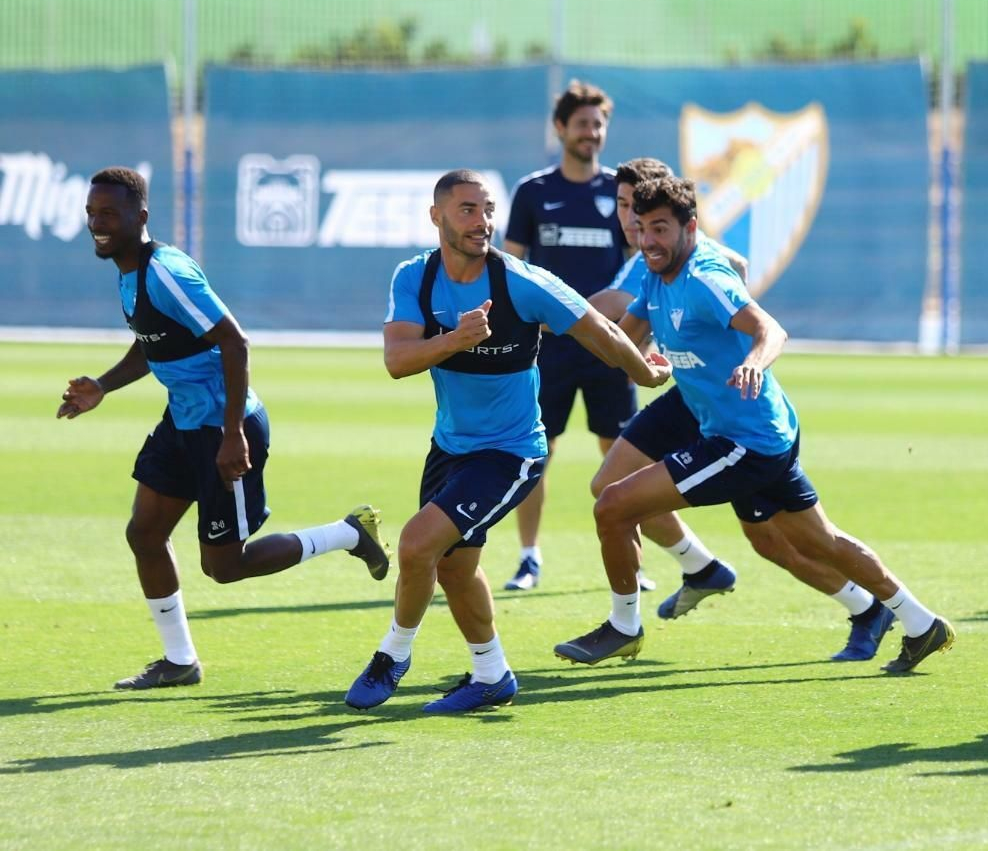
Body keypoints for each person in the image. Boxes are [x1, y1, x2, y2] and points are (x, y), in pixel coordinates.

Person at [550, 169, 952, 672]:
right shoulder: (655, 276)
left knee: (613, 504)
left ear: (689, 228)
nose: (648, 239)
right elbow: (623, 342)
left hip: (743, 442)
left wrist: (753, 363)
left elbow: (771, 330)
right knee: (816, 540)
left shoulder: (704, 280)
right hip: (762, 431)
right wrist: (628, 358)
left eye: (660, 228)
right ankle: (920, 622)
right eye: (643, 227)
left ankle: (625, 626)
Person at [344, 170, 669, 714]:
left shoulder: (522, 282)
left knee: (417, 544)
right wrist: (457, 340)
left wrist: (646, 374)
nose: (483, 221)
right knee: (454, 568)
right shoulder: (414, 277)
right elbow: (397, 360)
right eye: (468, 210)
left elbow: (603, 332)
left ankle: (391, 656)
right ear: (436, 216)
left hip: (512, 453)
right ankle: (492, 675)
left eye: (489, 210)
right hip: (450, 447)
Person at [59, 167, 389, 691]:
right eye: (92, 213)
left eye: (109, 214)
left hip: (221, 426)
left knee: (225, 567)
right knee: (144, 533)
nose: (98, 224)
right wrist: (102, 385)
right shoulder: (129, 271)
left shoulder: (166, 272)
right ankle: (179, 661)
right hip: (183, 420)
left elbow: (235, 342)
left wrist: (233, 434)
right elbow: (154, 343)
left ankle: (349, 533)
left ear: (140, 217)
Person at [499, 81, 644, 592]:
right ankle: (528, 557)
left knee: (621, 452)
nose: (591, 133)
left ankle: (633, 562)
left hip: (607, 344)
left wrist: (638, 337)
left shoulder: (621, 192)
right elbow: (510, 266)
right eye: (582, 124)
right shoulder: (533, 192)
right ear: (560, 128)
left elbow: (638, 269)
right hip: (549, 348)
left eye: (598, 124)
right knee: (537, 451)